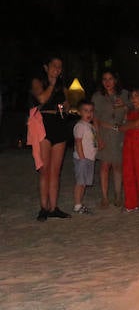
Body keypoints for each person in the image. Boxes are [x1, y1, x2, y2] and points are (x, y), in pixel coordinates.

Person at [30, 55, 73, 220]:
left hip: (59, 125)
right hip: (43, 126)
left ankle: (54, 207)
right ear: (46, 67)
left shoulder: (62, 86)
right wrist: (52, 84)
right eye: (54, 65)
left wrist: (65, 108)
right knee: (44, 170)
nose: (57, 69)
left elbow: (67, 105)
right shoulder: (38, 82)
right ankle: (44, 207)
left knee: (56, 171)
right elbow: (41, 98)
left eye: (60, 66)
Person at [92, 70, 128, 207]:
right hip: (104, 133)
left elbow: (133, 109)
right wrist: (98, 138)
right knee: (105, 166)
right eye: (104, 79)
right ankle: (105, 197)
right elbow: (95, 118)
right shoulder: (98, 96)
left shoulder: (124, 94)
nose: (107, 82)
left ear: (115, 80)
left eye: (110, 79)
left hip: (119, 133)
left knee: (118, 166)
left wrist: (124, 106)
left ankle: (118, 195)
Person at [72, 99, 98, 215]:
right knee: (80, 182)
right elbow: (78, 142)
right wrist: (82, 158)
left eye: (91, 111)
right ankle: (77, 205)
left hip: (89, 158)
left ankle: (80, 203)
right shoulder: (80, 126)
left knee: (84, 182)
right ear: (79, 112)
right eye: (86, 111)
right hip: (82, 159)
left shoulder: (89, 126)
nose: (89, 113)